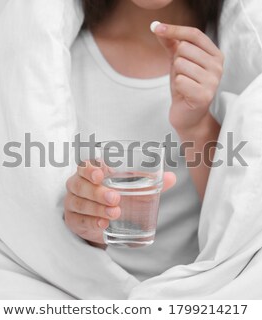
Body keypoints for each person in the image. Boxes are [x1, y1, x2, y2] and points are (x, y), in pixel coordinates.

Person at [64, 0, 224, 280]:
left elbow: (244, 221)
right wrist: (87, 230)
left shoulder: (238, 52)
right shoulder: (56, 59)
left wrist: (197, 126)